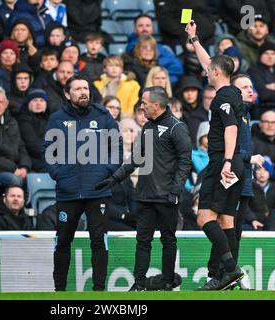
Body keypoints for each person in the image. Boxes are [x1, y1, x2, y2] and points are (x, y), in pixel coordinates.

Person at [96, 86, 192, 291]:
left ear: (156, 105)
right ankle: (139, 283)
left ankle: (167, 282)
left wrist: (175, 190)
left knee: (168, 239)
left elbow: (185, 161)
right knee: (143, 241)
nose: (141, 107)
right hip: (145, 195)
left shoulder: (177, 127)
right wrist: (113, 179)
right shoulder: (147, 128)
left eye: (144, 103)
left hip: (167, 196)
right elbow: (135, 160)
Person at [43, 75, 123, 291]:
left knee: (99, 241)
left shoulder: (104, 116)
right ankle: (59, 290)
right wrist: (59, 174)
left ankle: (99, 290)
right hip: (68, 192)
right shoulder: (56, 119)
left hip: (98, 191)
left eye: (85, 88)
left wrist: (106, 172)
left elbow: (117, 148)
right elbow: (48, 152)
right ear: (68, 94)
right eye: (77, 89)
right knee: (63, 241)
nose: (83, 92)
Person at [185, 20, 245, 290]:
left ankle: (230, 271)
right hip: (237, 163)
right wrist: (194, 39)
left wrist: (226, 162)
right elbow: (210, 62)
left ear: (217, 72)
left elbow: (231, 128)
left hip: (224, 162)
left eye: (210, 71)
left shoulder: (221, 99)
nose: (206, 73)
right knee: (226, 221)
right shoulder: (233, 91)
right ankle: (226, 277)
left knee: (203, 217)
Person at [205, 74, 265, 289]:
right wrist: (249, 158)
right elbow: (229, 146)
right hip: (230, 175)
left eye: (251, 86)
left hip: (244, 182)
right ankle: (215, 274)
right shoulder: (231, 113)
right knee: (222, 225)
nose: (250, 90)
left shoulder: (246, 114)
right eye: (244, 87)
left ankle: (229, 276)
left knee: (234, 232)